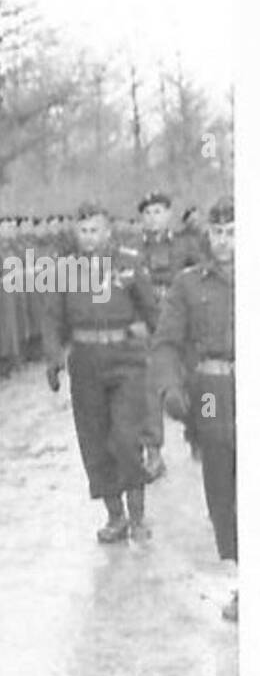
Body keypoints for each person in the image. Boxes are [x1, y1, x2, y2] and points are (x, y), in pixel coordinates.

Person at [43, 202, 158, 543]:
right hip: (86, 361)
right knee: (95, 440)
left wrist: (166, 352)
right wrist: (53, 359)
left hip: (125, 359)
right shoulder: (63, 269)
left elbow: (152, 310)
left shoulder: (129, 262)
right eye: (83, 231)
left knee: (125, 438)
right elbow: (51, 318)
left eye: (95, 230)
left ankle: (137, 513)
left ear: (108, 231)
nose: (89, 237)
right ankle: (115, 515)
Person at [151, 197, 236, 620]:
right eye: (218, 232)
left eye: (234, 231)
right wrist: (169, 386)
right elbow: (165, 342)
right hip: (211, 392)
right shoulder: (189, 284)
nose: (225, 241)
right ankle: (240, 581)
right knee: (222, 490)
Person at [137, 190, 209, 480]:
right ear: (142, 218)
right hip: (149, 326)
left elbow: (203, 280)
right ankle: (153, 450)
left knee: (194, 381)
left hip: (184, 325)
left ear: (168, 214)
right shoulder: (133, 250)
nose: (154, 217)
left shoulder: (187, 245)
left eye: (158, 211)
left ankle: (198, 434)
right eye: (148, 212)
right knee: (149, 388)